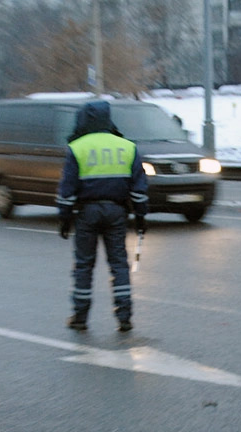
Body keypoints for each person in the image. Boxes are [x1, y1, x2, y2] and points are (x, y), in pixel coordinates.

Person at [56, 100, 148, 332]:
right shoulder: (127, 146)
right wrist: (140, 217)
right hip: (117, 211)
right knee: (118, 264)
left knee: (84, 265)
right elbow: (138, 189)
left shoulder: (77, 147)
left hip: (87, 212)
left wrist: (64, 217)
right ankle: (124, 316)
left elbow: (67, 188)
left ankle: (80, 316)